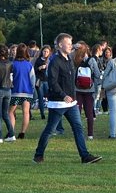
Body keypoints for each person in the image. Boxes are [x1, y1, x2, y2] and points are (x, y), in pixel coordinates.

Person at [33, 33, 101, 165]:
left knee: (78, 128)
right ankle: (38, 155)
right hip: (58, 103)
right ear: (59, 45)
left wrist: (76, 46)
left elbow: (75, 49)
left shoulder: (69, 59)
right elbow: (52, 82)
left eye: (71, 43)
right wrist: (64, 95)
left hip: (71, 103)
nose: (70, 45)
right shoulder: (54, 61)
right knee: (50, 130)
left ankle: (85, 156)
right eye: (68, 43)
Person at [10, 43, 36, 140]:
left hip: (15, 91)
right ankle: (22, 132)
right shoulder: (29, 65)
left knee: (11, 112)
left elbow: (10, 78)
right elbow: (32, 79)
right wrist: (32, 89)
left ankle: (11, 131)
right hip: (27, 92)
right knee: (26, 112)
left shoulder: (13, 64)